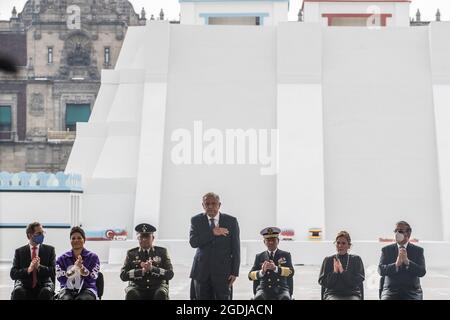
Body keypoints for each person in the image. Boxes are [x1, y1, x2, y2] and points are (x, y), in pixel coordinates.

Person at [190, 192, 240, 300]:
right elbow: (193, 242)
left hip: (223, 273)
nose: (210, 206)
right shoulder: (196, 220)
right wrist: (212, 232)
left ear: (219, 205)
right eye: (207, 204)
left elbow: (236, 249)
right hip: (201, 273)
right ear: (203, 205)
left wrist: (235, 272)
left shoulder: (231, 221)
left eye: (214, 203)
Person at [120, 223, 174, 300]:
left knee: (161, 294)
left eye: (147, 236)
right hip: (137, 288)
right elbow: (123, 275)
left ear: (153, 238)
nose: (144, 239)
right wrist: (141, 271)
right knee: (131, 293)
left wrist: (152, 269)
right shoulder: (131, 253)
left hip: (157, 287)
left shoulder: (162, 252)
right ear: (138, 238)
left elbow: (170, 274)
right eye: (141, 236)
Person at [378, 221, 426, 300]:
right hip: (391, 291)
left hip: (412, 291)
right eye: (395, 231)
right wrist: (396, 264)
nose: (397, 233)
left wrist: (408, 262)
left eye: (400, 231)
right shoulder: (386, 250)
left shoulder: (418, 250)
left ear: (408, 233)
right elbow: (380, 270)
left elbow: (422, 272)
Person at [10, 222, 55, 300]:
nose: (42, 235)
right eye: (39, 233)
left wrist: (39, 267)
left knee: (45, 292)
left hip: (44, 285)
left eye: (43, 232)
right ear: (30, 235)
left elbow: (54, 271)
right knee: (18, 291)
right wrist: (28, 269)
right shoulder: (19, 251)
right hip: (24, 286)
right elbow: (13, 274)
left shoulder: (50, 250)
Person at [248, 227, 294, 300]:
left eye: (273, 240)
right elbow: (250, 276)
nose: (271, 242)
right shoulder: (259, 256)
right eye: (268, 240)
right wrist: (261, 272)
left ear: (278, 241)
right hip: (264, 289)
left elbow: (291, 272)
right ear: (264, 242)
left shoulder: (285, 255)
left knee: (285, 298)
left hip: (281, 289)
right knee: (258, 298)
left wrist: (276, 268)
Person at [56, 226, 100, 300]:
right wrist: (73, 269)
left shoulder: (93, 257)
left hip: (87, 289)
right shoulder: (61, 258)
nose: (76, 240)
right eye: (73, 238)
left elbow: (92, 277)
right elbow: (61, 278)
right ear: (70, 241)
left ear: (84, 240)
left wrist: (82, 269)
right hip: (67, 290)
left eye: (79, 238)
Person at [318, 231, 365, 300]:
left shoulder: (356, 259)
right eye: (338, 243)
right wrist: (335, 272)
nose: (340, 245)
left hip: (352, 293)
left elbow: (357, 281)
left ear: (349, 246)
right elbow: (324, 282)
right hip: (332, 294)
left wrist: (342, 272)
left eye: (343, 243)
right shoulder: (328, 260)